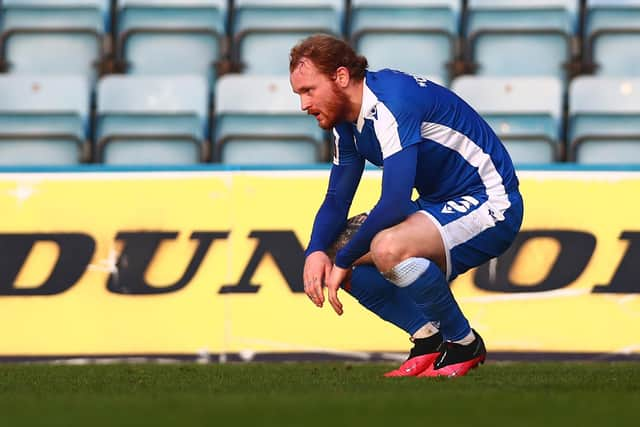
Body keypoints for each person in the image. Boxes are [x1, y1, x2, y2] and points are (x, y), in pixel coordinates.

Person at [289, 34, 524, 377]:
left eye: (309, 91)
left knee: (386, 247)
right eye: (299, 94)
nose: (303, 105)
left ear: (341, 77)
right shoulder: (345, 120)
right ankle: (427, 339)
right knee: (334, 246)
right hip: (436, 205)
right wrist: (316, 251)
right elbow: (337, 197)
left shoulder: (390, 102)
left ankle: (463, 343)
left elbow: (395, 203)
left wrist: (343, 258)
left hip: (490, 201)